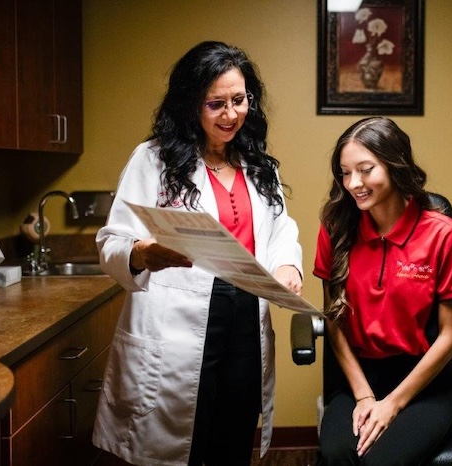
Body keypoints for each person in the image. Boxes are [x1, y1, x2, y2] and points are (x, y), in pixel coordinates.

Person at [92, 41, 303, 466]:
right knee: (179, 442)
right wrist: (141, 253)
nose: (231, 115)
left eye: (240, 100)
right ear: (190, 105)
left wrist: (286, 264)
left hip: (245, 316)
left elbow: (280, 227)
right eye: (216, 104)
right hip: (176, 323)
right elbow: (111, 240)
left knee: (234, 433)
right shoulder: (153, 160)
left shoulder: (259, 165)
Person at [313, 117, 452, 465]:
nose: (353, 183)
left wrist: (393, 403)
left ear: (395, 164)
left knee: (381, 460)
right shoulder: (336, 227)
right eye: (344, 172)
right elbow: (333, 321)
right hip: (359, 378)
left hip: (425, 386)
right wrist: (364, 396)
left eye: (365, 170)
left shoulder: (444, 235)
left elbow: (450, 335)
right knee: (340, 454)